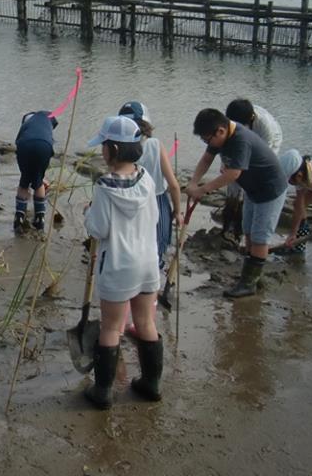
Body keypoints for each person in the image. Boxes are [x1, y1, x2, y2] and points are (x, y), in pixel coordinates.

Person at [82, 116, 162, 410]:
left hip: (118, 265)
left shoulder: (104, 187)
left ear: (113, 149)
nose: (102, 150)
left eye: (104, 145)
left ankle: (102, 392)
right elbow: (153, 218)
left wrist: (88, 214)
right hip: (148, 261)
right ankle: (151, 384)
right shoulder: (147, 178)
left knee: (111, 328)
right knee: (145, 322)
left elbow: (98, 229)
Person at [187, 109, 288, 298]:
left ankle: (249, 283)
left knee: (260, 236)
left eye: (207, 140)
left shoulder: (241, 140)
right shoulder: (220, 135)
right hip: (252, 189)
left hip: (270, 189)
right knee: (248, 230)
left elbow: (233, 174)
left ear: (220, 131)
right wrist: (193, 182)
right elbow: (207, 158)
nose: (207, 144)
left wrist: (202, 189)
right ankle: (251, 277)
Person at [118, 102, 182, 267]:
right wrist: (177, 212)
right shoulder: (155, 145)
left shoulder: (121, 148)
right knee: (156, 248)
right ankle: (153, 282)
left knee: (133, 246)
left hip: (130, 203)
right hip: (158, 202)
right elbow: (174, 185)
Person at [223, 99, 283, 237]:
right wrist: (226, 163)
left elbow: (262, 155)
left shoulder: (265, 126)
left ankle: (243, 220)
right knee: (233, 184)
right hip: (242, 141)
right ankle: (229, 215)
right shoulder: (229, 119)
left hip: (268, 144)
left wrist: (242, 169)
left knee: (252, 175)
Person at [14, 110, 58, 231]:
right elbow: (50, 147)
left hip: (25, 145)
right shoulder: (47, 121)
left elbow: (18, 143)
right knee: (38, 182)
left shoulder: (26, 125)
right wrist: (40, 175)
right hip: (45, 146)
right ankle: (39, 219)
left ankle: (19, 218)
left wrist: (26, 171)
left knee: (24, 181)